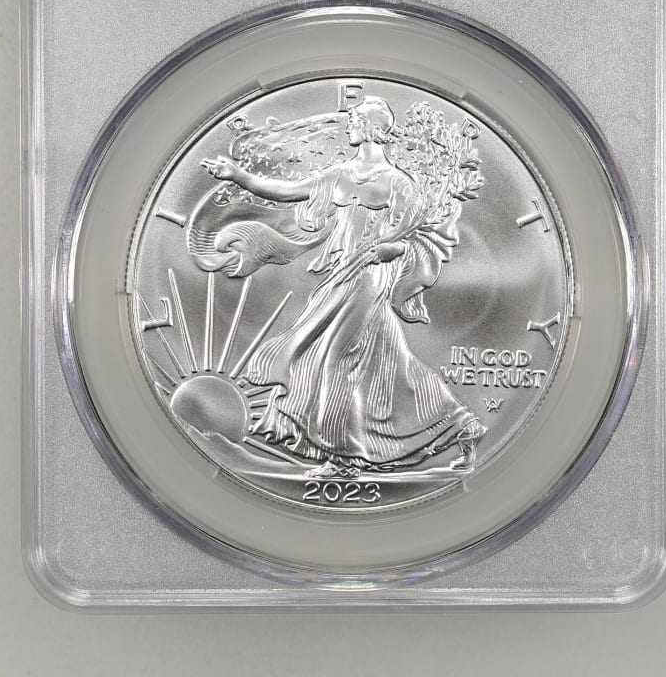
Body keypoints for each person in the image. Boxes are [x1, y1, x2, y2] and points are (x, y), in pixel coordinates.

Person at [199, 95, 485, 478]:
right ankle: (464, 428)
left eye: (353, 120)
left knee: (335, 358)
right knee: (392, 364)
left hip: (370, 277)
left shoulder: (400, 184)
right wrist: (237, 175)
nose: (348, 125)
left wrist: (392, 249)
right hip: (341, 274)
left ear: (370, 128)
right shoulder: (339, 174)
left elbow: (420, 238)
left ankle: (345, 458)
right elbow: (286, 191)